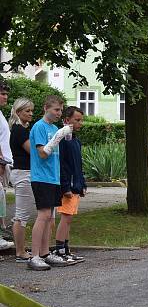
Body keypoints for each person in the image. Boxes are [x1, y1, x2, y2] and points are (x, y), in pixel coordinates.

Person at [28, 95, 74, 270]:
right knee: (43, 215)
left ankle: (45, 253)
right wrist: (59, 135)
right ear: (46, 108)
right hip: (41, 177)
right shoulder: (39, 127)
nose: (59, 113)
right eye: (56, 109)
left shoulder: (54, 127)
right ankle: (34, 255)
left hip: (52, 177)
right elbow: (42, 153)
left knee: (49, 218)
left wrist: (62, 135)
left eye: (61, 110)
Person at [53, 106, 87, 263]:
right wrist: (65, 186)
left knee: (69, 218)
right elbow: (63, 165)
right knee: (65, 217)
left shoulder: (75, 140)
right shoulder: (62, 141)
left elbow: (77, 165)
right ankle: (59, 250)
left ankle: (66, 249)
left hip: (76, 185)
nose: (81, 123)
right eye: (77, 120)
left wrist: (82, 184)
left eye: (81, 120)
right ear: (66, 120)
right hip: (68, 186)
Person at [9, 98, 37, 261]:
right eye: (27, 111)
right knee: (22, 215)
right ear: (18, 112)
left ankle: (21, 249)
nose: (31, 114)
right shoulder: (19, 130)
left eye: (32, 110)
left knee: (23, 214)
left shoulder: (19, 129)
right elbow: (33, 152)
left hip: (22, 172)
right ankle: (20, 252)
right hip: (23, 173)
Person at [0, 83, 14, 251]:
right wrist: (1, 161)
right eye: (2, 94)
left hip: (6, 161)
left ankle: (2, 232)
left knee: (2, 198)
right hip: (2, 162)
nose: (5, 97)